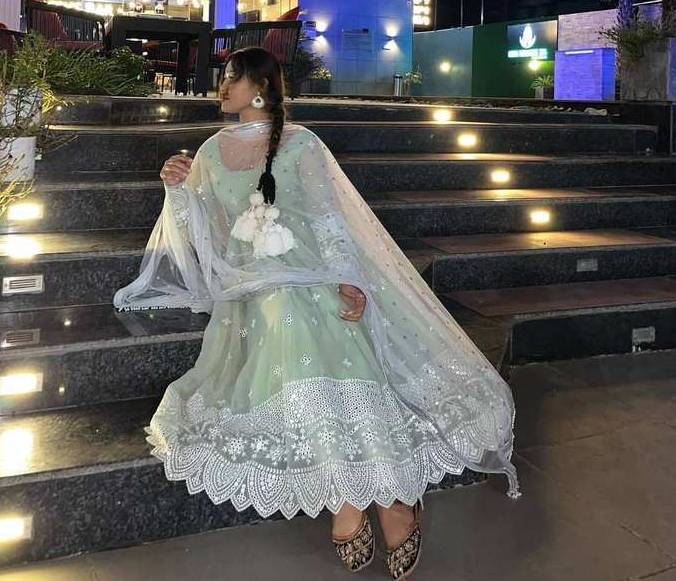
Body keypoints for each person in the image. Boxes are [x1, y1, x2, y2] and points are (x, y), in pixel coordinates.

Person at [114, 46, 519, 578]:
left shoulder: (302, 143)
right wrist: (176, 190)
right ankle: (369, 499)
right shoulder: (210, 152)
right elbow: (205, 232)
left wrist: (347, 279)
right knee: (286, 318)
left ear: (261, 87)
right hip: (251, 284)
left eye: (232, 78)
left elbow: (329, 220)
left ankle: (379, 498)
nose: (222, 87)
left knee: (313, 320)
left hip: (311, 272)